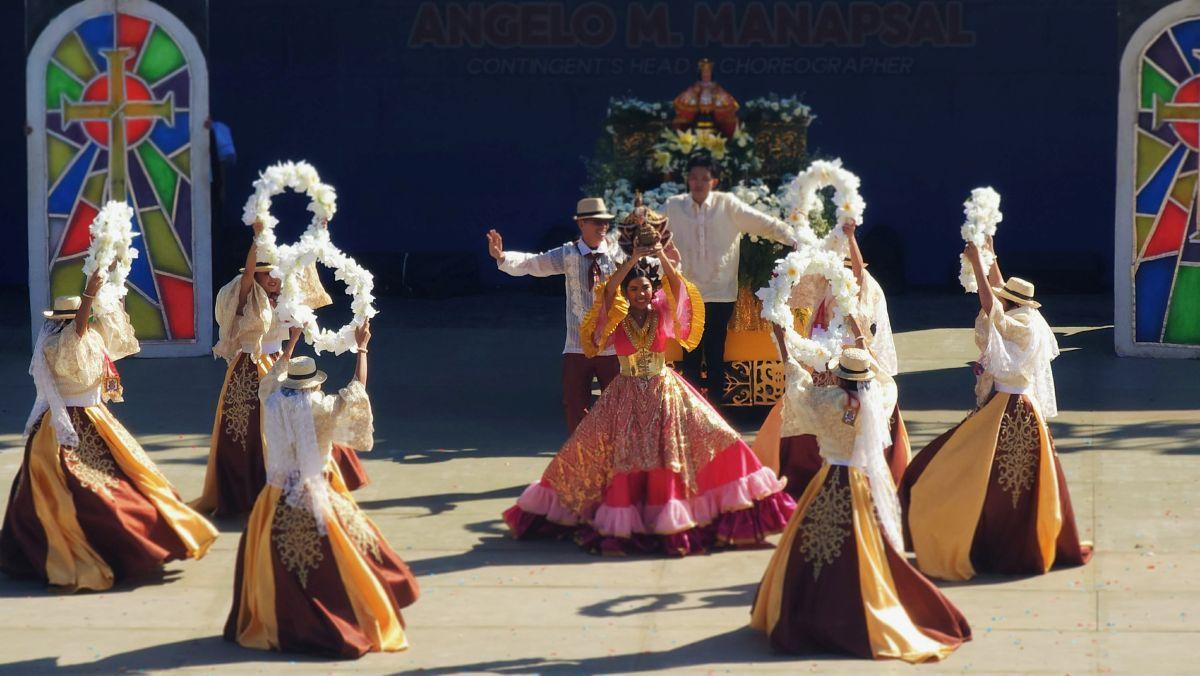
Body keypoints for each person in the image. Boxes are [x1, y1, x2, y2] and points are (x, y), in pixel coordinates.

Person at [503, 239, 795, 556]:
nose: (641, 294)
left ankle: (675, 514)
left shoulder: (661, 310)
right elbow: (608, 291)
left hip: (664, 389)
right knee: (606, 453)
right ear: (626, 294)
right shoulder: (616, 316)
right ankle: (628, 518)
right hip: (625, 392)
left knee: (704, 441)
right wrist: (631, 262)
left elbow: (677, 288)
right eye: (634, 290)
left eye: (644, 289)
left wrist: (660, 258)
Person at [0, 270, 218, 592]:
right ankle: (87, 553)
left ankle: (144, 543)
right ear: (63, 322)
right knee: (85, 492)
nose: (81, 323)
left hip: (96, 418)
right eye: (76, 319)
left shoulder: (91, 339)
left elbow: (111, 332)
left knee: (133, 479)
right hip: (65, 426)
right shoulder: (59, 345)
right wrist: (88, 292)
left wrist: (112, 286)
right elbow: (77, 332)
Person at [751, 346, 971, 662]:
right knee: (864, 546)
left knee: (812, 546)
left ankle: (811, 611)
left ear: (839, 378)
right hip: (857, 483)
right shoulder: (876, 403)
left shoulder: (828, 402)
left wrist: (787, 354)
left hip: (828, 480)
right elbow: (887, 384)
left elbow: (799, 393)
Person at [899, 240, 1092, 581]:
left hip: (1012, 409)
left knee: (977, 474)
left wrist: (976, 263)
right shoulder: (1027, 314)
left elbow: (992, 306)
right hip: (1009, 404)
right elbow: (999, 293)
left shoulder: (1022, 323)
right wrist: (991, 253)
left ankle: (984, 540)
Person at [225, 320, 418, 657]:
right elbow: (356, 391)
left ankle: (278, 617)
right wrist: (363, 349)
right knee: (345, 550)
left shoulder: (271, 398)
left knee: (270, 554)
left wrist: (293, 340)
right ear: (313, 385)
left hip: (277, 493)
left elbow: (274, 374)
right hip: (316, 490)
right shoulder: (321, 409)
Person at [193, 220, 369, 517]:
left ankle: (296, 487)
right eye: (267, 274)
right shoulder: (244, 295)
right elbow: (248, 273)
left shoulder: (287, 296)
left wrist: (317, 231)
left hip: (280, 365)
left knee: (304, 423)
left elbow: (304, 272)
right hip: (248, 371)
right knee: (247, 433)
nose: (273, 280)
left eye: (277, 273)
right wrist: (259, 235)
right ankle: (251, 495)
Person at [752, 221, 909, 498]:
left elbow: (858, 275)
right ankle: (807, 470)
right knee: (809, 409)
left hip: (854, 364)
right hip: (823, 362)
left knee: (858, 414)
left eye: (847, 268)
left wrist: (849, 237)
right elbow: (797, 289)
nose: (845, 273)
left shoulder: (864, 287)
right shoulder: (824, 285)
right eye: (840, 268)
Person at [488, 197, 627, 433]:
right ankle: (581, 457)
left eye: (605, 222)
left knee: (617, 405)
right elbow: (535, 264)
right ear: (582, 224)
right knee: (575, 406)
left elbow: (644, 271)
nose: (603, 226)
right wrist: (502, 257)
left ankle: (614, 455)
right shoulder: (568, 254)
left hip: (610, 345)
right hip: (576, 345)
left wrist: (668, 260)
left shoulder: (617, 253)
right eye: (596, 222)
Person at [663, 155, 795, 404]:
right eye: (694, 177)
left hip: (720, 293)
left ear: (714, 180)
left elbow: (762, 224)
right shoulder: (673, 206)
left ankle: (715, 417)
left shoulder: (727, 205)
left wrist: (794, 238)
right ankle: (691, 416)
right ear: (687, 180)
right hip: (687, 293)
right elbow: (652, 230)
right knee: (689, 356)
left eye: (704, 177)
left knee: (715, 355)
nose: (699, 182)